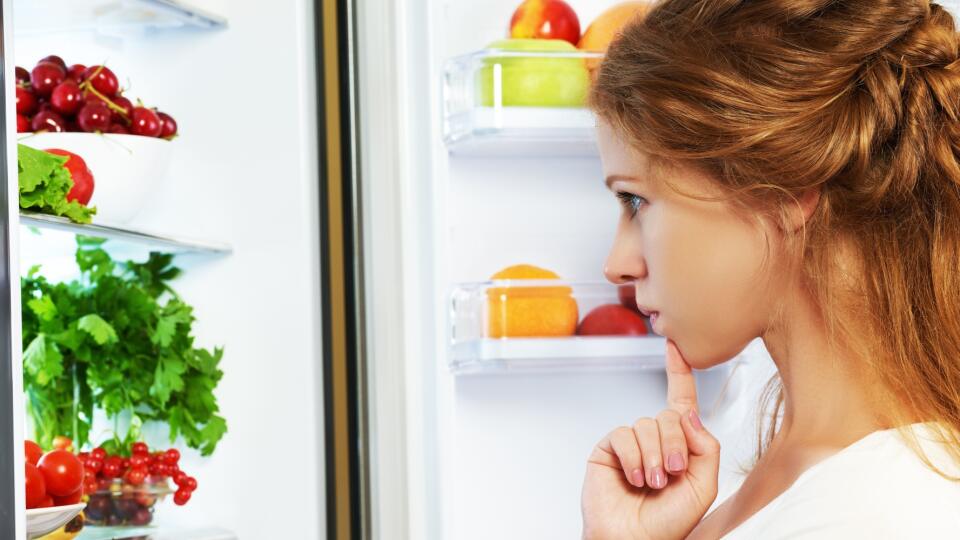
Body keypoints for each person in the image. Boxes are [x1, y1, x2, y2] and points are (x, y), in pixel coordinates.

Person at [579, 1, 960, 538]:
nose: (617, 265)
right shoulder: (751, 447)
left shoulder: (882, 510)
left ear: (780, 193)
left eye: (636, 201)